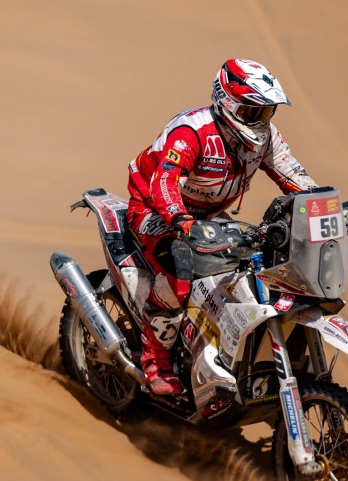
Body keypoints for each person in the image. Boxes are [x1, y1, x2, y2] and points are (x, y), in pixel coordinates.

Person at [126, 58, 319, 395]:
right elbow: (165, 182)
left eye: (266, 113)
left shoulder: (264, 138)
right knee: (179, 272)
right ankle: (155, 357)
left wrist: (322, 204)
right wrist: (178, 217)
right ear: (229, 104)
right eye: (252, 112)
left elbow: (296, 177)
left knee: (253, 271)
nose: (261, 122)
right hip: (155, 209)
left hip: (209, 217)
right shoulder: (192, 131)